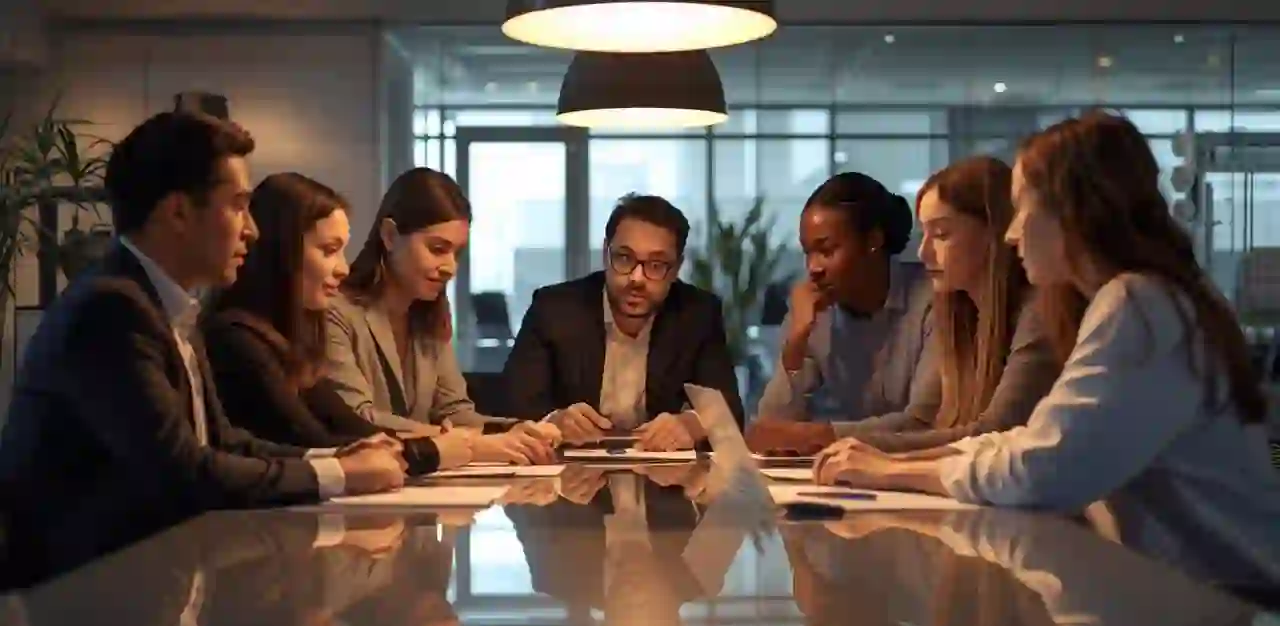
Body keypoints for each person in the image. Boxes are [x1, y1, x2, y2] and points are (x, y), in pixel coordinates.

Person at [817, 111, 1280, 587]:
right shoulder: (1142, 299)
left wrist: (892, 473)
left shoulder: (1137, 304)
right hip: (1204, 601)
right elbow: (1027, 440)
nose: (1012, 232)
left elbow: (1040, 470)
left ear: (1072, 209)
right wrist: (894, 465)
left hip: (1235, 606)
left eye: (1022, 208)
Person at [0, 112, 404, 556]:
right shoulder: (111, 309)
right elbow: (183, 473)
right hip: (89, 593)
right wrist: (342, 476)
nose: (251, 228)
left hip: (151, 574)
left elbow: (223, 440)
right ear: (177, 212)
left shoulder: (161, 304)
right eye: (237, 204)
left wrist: (334, 460)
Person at [203, 172, 476, 475]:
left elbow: (352, 428)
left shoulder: (286, 340)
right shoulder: (236, 338)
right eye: (329, 250)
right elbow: (320, 444)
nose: (343, 268)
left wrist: (445, 442)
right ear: (283, 252)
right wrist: (434, 448)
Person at [325, 167, 557, 465]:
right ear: (390, 236)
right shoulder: (336, 311)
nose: (450, 267)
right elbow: (357, 418)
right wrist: (462, 444)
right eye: (437, 249)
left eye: (456, 253)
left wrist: (515, 430)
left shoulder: (428, 314)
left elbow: (455, 411)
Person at [836, 157, 1059, 453]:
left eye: (941, 234)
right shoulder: (959, 317)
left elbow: (995, 433)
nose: (923, 251)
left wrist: (856, 448)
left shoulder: (1037, 316)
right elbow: (926, 419)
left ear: (995, 233)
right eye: (924, 234)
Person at [503, 193, 743, 451]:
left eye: (656, 264)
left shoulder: (697, 313)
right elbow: (511, 406)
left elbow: (728, 410)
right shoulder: (555, 308)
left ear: (676, 268)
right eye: (625, 258)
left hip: (662, 478)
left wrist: (691, 424)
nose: (637, 278)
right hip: (569, 476)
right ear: (606, 253)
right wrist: (555, 423)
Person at [746, 172, 935, 456]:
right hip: (852, 474)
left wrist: (823, 435)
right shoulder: (813, 309)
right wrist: (795, 343)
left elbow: (925, 422)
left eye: (827, 250)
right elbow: (772, 429)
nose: (813, 267)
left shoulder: (932, 301)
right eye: (808, 252)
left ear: (873, 240)